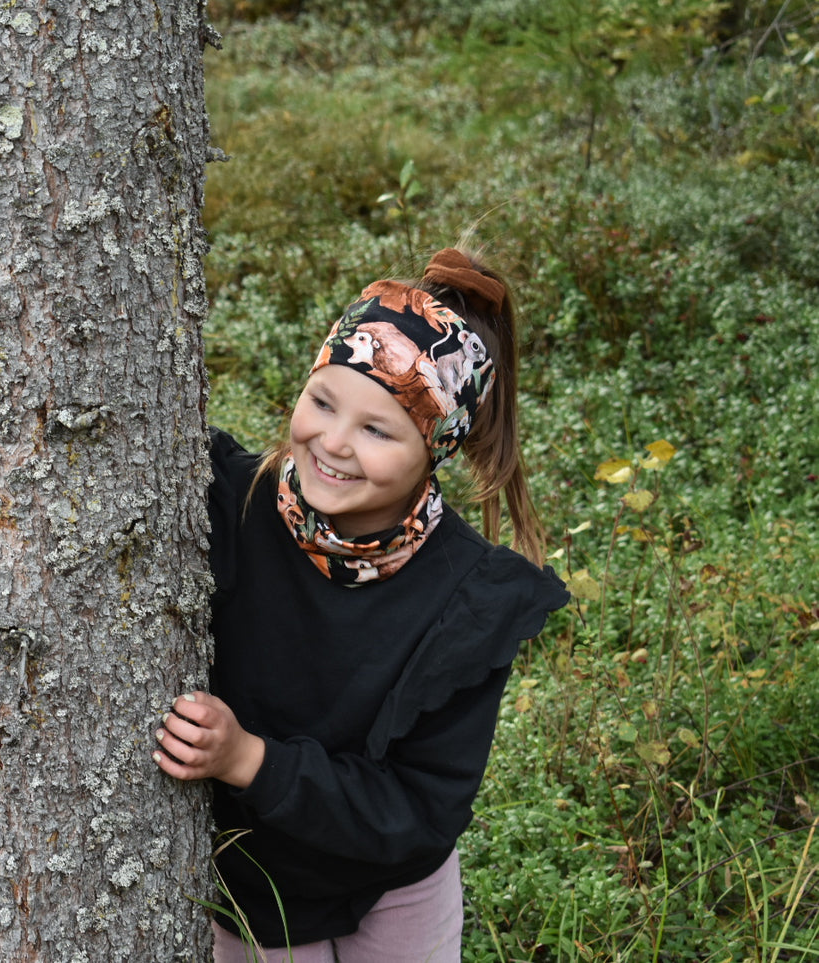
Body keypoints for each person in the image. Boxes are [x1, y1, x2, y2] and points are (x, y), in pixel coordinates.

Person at [153, 247, 570, 962]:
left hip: (396, 886)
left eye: (377, 429)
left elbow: (422, 805)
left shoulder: (464, 599)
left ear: (434, 445)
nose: (334, 443)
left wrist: (251, 758)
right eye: (322, 402)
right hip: (257, 890)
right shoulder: (230, 502)